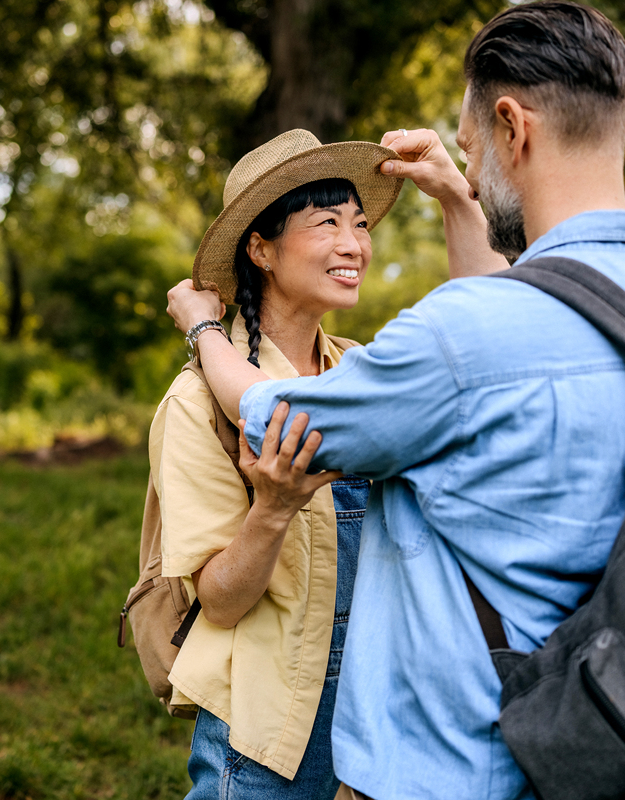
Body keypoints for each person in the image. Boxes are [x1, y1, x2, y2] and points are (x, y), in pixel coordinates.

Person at [166, 3, 625, 798]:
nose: (355, 241)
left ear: (512, 129)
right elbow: (508, 333)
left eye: (470, 145)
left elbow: (287, 414)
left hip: (468, 757)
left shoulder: (465, 337)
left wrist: (203, 329)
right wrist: (462, 198)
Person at [152, 127, 498, 799]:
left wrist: (458, 194)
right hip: (270, 728)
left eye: (361, 224)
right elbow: (218, 599)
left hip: (380, 716)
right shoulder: (197, 402)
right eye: (327, 223)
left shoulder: (360, 372)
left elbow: (491, 334)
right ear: (261, 248)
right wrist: (273, 509)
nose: (354, 244)